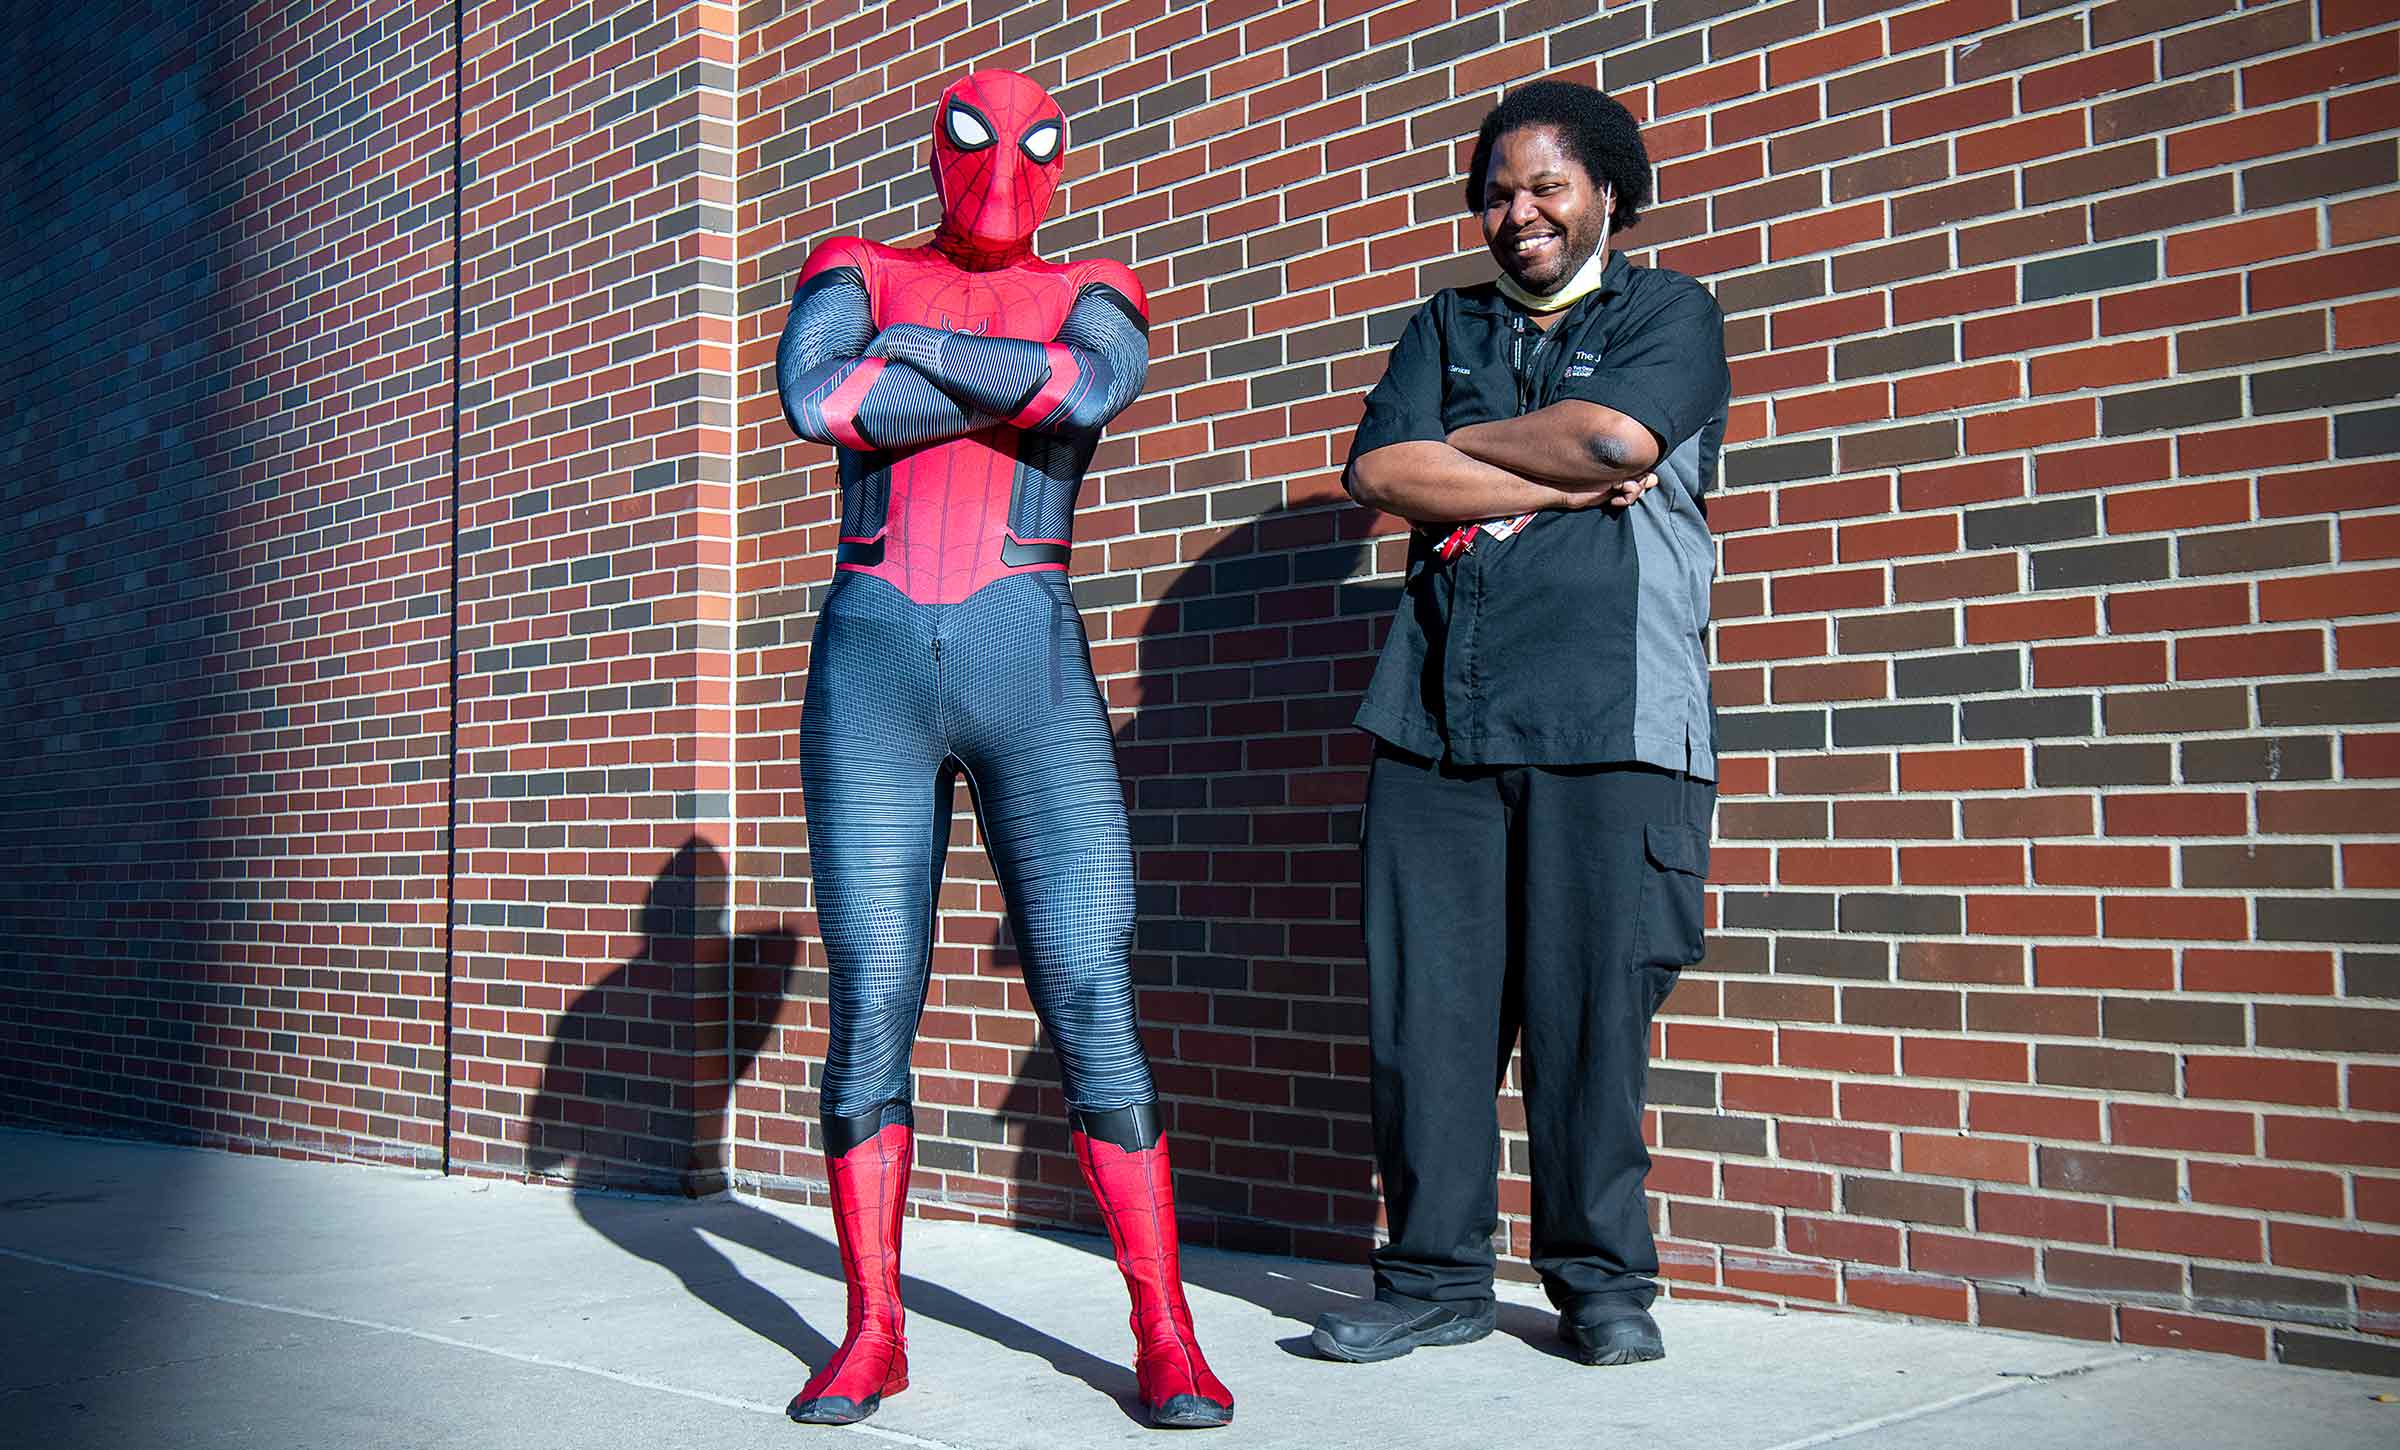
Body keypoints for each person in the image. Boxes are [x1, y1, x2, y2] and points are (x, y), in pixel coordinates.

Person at [772, 68, 1232, 1430]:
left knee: (1090, 985)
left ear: (1061, 160)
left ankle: (1166, 1330)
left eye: (1033, 148)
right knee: (871, 995)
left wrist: (909, 358)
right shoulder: (852, 262)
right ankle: (873, 1331)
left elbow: (1090, 389)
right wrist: (1002, 386)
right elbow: (814, 401)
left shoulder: (1095, 279)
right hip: (871, 672)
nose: (1002, 174)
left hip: (1026, 670)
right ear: (936, 146)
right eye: (978, 142)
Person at [1310, 80, 1729, 1369]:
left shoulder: (1668, 310)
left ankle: (1601, 1288)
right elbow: (1381, 471)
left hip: (1613, 713)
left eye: (1547, 185)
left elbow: (1615, 438)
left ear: (1605, 188)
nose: (1520, 212)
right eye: (1497, 192)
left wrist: (1483, 455)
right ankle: (1431, 1280)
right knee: (1426, 1017)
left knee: (1590, 1016)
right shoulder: (1446, 323)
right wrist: (1539, 465)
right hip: (1435, 716)